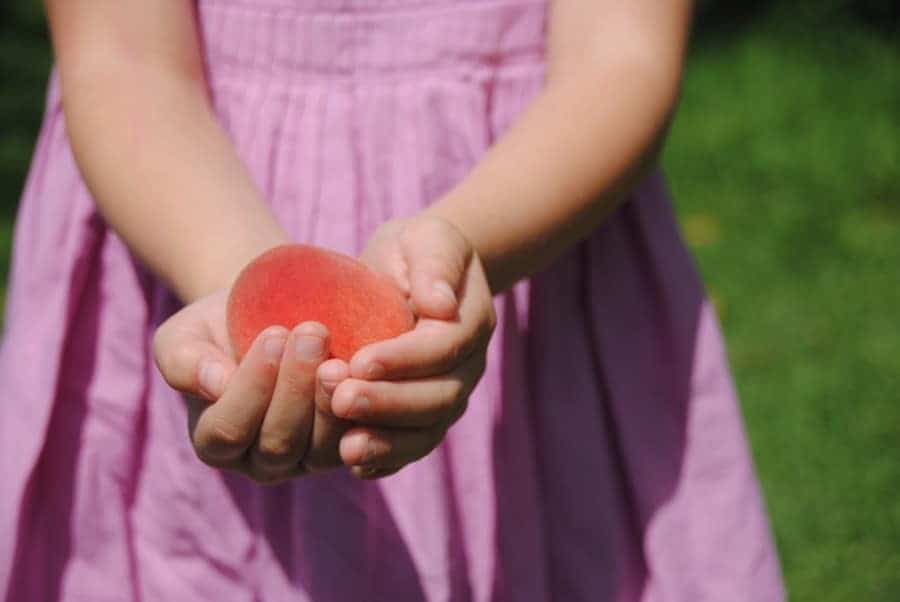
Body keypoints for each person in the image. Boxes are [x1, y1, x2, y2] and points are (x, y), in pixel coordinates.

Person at [0, 0, 785, 599]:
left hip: (527, 247)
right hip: (185, 215)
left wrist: (461, 248)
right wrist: (239, 280)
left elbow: (622, 58)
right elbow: (122, 61)